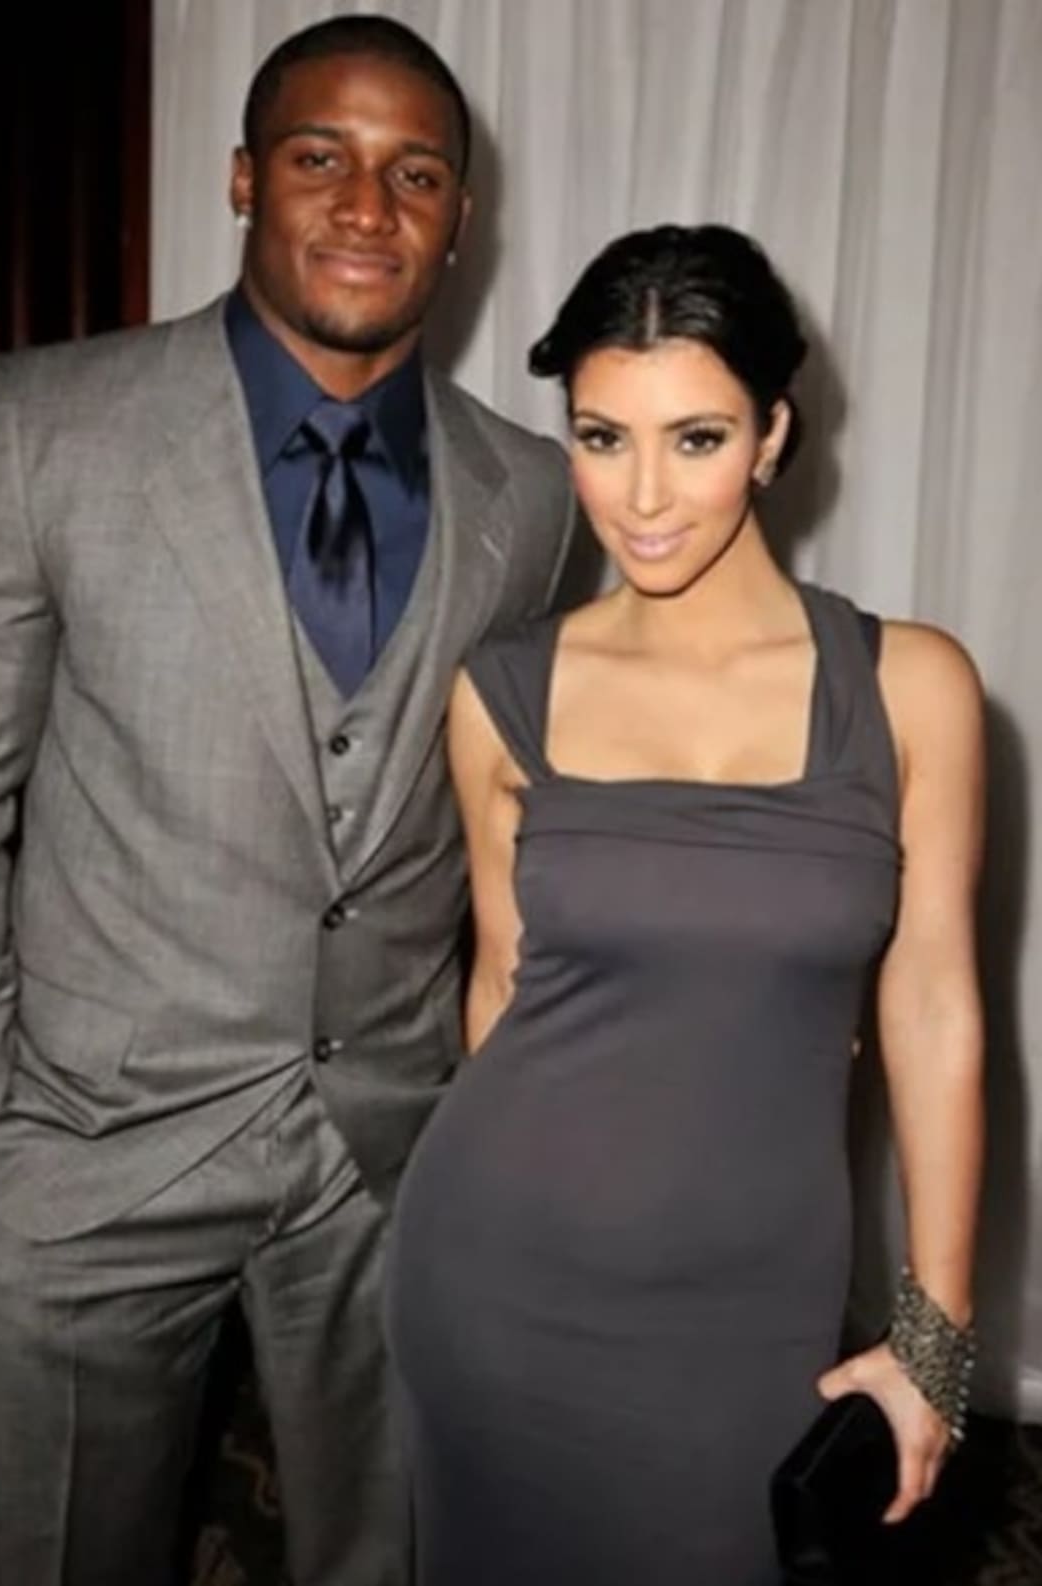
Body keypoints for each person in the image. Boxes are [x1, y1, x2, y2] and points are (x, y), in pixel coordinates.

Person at [0, 15, 578, 1586]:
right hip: (86, 1143)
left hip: (390, 1155)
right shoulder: (45, 424)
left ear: (461, 219)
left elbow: (515, 798)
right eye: (323, 156)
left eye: (416, 173)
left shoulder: (532, 493)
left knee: (389, 1555)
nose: (368, 204)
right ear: (247, 178)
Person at [386, 223, 984, 1585]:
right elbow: (500, 986)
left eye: (696, 439)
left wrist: (935, 1334)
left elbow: (937, 1008)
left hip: (753, 1306)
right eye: (603, 439)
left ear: (773, 435)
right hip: (496, 1282)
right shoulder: (501, 691)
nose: (643, 496)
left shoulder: (911, 688)